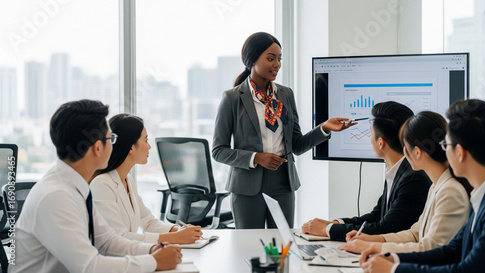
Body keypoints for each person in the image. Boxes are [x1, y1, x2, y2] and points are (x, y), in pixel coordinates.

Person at [10, 100, 182, 273]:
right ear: (97, 147)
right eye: (111, 139)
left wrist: (153, 250)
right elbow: (89, 266)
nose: (113, 145)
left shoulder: (75, 185)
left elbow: (107, 242)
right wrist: (153, 262)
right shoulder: (55, 196)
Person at [212, 32, 355, 229]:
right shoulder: (232, 98)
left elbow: (297, 145)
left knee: (281, 246)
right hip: (246, 186)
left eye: (279, 59)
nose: (277, 64)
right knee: (248, 247)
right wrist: (257, 157)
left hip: (283, 183)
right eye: (270, 59)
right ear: (252, 60)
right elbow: (218, 150)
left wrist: (324, 128)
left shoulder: (285, 94)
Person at [360, 99, 485, 273]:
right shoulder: (482, 194)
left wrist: (394, 269)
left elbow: (469, 269)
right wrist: (390, 257)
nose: (443, 150)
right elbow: (452, 251)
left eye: (446, 145)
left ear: (460, 153)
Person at [338, 111, 470, 254]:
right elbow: (415, 234)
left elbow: (430, 247)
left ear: (417, 152)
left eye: (405, 147)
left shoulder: (450, 191)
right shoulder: (437, 185)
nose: (404, 153)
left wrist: (375, 247)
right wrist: (374, 239)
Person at [301, 101, 431, 241]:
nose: (370, 139)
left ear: (380, 142)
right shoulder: (399, 170)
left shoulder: (413, 179)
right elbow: (376, 216)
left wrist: (326, 230)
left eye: (370, 134)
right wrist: (335, 223)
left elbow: (385, 228)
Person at [91, 114, 202, 244]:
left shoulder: (128, 180)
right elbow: (119, 238)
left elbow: (148, 222)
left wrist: (178, 229)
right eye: (146, 140)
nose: (149, 146)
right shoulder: (101, 184)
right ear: (131, 147)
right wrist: (175, 238)